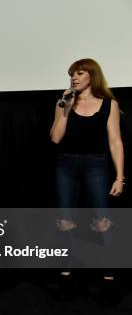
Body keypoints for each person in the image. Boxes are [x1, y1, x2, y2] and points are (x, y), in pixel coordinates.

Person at [49, 58, 124, 300]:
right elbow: (55, 138)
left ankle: (109, 280)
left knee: (103, 222)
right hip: (66, 165)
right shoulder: (64, 103)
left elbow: (115, 142)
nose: (74, 77)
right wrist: (65, 109)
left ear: (92, 76)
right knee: (65, 222)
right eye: (72, 74)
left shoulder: (109, 105)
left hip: (96, 165)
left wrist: (120, 177)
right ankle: (66, 279)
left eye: (80, 73)